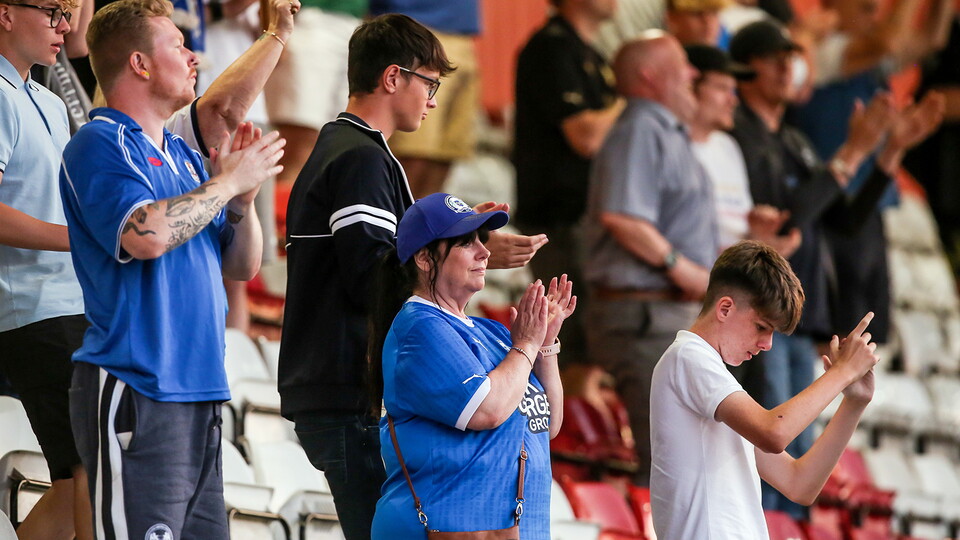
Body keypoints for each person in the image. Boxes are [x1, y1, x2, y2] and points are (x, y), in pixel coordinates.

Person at [279, 14, 546, 540]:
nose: (433, 100)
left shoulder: (360, 152)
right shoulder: (360, 158)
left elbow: (384, 264)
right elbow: (371, 277)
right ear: (392, 77)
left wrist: (462, 246)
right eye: (430, 84)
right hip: (346, 388)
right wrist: (454, 254)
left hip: (342, 387)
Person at [60, 0, 284, 537]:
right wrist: (226, 183)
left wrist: (242, 201)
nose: (193, 56)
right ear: (139, 64)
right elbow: (147, 236)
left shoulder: (185, 157)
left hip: (201, 391)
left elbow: (243, 264)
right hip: (137, 384)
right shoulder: (98, 142)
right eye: (177, 46)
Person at [728, 18, 944, 517]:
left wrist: (889, 153)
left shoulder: (795, 141)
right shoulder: (738, 135)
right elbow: (786, 221)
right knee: (771, 447)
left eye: (791, 58)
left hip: (797, 317)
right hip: (757, 314)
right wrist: (854, 151)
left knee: (799, 447)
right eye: (772, 59)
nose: (787, 67)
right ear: (744, 69)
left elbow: (843, 221)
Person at [369, 193, 575, 539]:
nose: (485, 252)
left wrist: (545, 344)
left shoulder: (492, 331)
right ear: (424, 258)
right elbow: (486, 409)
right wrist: (526, 344)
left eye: (482, 240)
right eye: (466, 242)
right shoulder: (420, 326)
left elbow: (547, 424)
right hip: (445, 528)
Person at [649, 240, 879, 539]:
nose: (767, 344)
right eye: (761, 327)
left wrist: (854, 403)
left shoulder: (713, 378)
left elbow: (799, 484)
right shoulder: (688, 356)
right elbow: (774, 433)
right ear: (725, 308)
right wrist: (841, 373)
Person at [583, 31, 718, 485]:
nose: (693, 73)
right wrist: (684, 270)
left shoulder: (666, 132)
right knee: (670, 462)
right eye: (682, 64)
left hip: (664, 312)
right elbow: (622, 216)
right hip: (645, 314)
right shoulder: (641, 127)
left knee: (685, 460)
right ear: (649, 76)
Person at [0, 0, 91, 537]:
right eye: (53, 10)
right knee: (88, 473)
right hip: (34, 308)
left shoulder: (50, 102)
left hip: (72, 303)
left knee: (75, 480)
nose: (66, 25)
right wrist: (80, 241)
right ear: (6, 13)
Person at [513, 0, 624, 365]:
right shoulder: (551, 48)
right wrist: (630, 98)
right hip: (559, 218)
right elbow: (586, 136)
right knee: (568, 340)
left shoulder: (590, 53)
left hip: (587, 218)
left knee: (592, 344)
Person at [369, 0, 482, 199]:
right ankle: (393, 216)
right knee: (414, 151)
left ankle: (421, 218)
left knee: (445, 153)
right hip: (416, 31)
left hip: (462, 34)